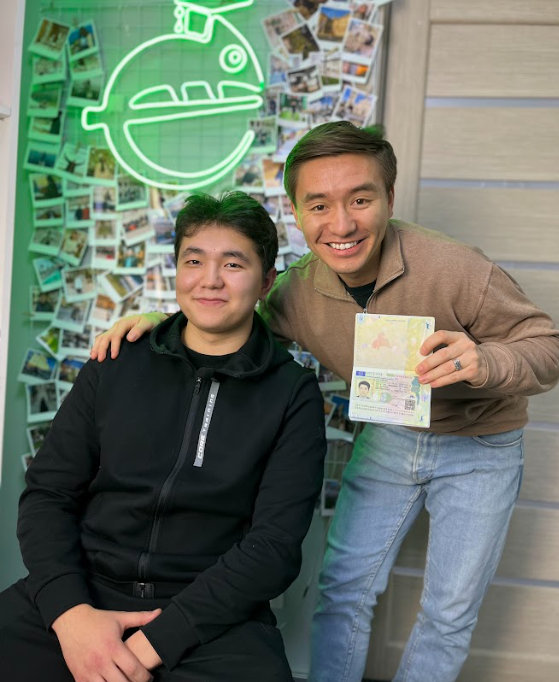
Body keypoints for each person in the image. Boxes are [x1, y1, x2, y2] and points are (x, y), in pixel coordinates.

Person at [91, 122, 559, 682]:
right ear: (296, 213)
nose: (341, 225)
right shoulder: (295, 291)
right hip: (389, 435)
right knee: (342, 592)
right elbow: (231, 320)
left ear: (389, 198)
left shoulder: (456, 268)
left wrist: (486, 361)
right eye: (319, 206)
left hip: (482, 445)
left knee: (449, 611)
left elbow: (547, 346)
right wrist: (162, 323)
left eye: (360, 200)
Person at [0, 191, 326, 682]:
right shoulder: (116, 361)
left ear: (266, 282)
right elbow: (48, 494)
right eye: (194, 261)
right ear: (176, 270)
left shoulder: (292, 393)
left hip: (210, 616)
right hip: (84, 592)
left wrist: (152, 644)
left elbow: (273, 547)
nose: (210, 279)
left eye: (233, 264)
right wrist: (70, 615)